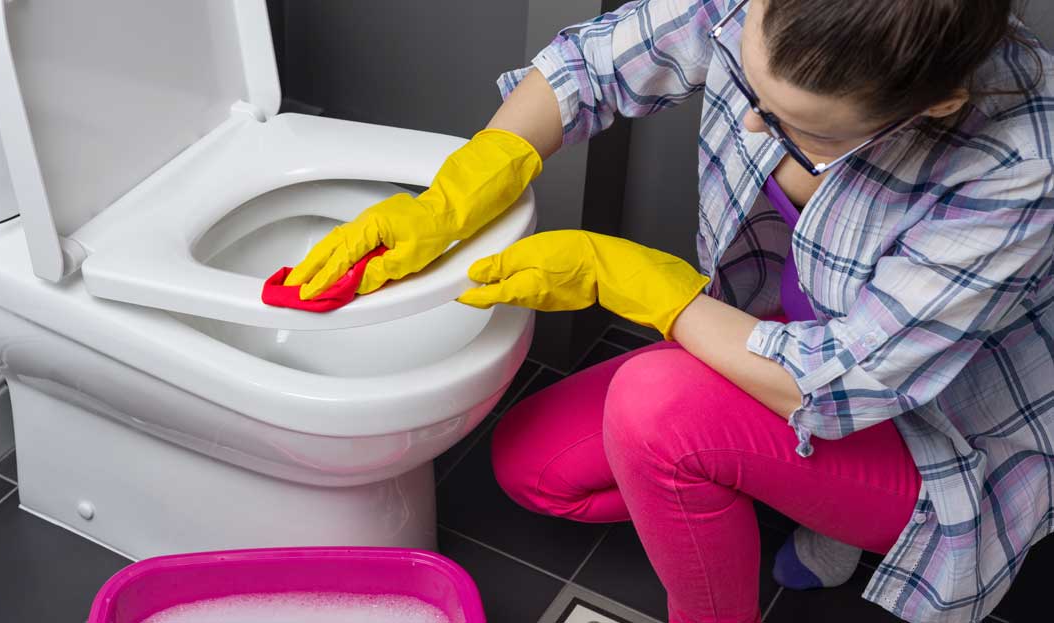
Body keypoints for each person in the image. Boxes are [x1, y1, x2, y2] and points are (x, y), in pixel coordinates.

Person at [284, 1, 1054, 621]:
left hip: (928, 428)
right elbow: (588, 68)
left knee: (657, 411)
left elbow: (841, 381)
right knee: (535, 467)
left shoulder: (1020, 162)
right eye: (751, 92)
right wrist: (460, 188)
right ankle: (784, 495)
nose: (753, 127)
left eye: (803, 131)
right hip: (779, 343)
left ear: (934, 105)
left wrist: (627, 277)